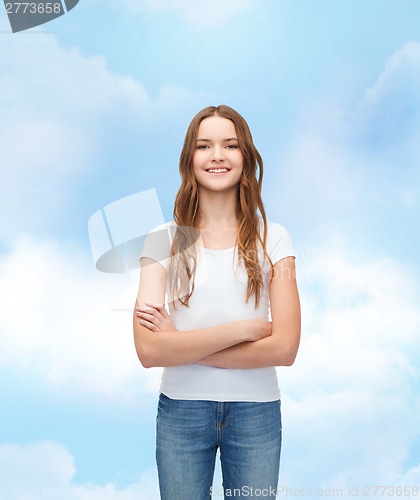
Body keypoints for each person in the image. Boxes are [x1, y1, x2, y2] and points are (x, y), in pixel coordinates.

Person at [133, 105, 301, 499]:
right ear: (190, 159)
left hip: (256, 411)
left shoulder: (274, 239)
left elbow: (286, 347)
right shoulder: (161, 241)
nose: (217, 155)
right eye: (204, 145)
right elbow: (148, 349)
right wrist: (244, 330)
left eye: (230, 145)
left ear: (246, 157)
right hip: (181, 410)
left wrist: (182, 345)